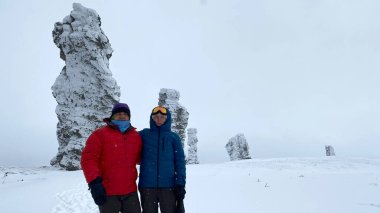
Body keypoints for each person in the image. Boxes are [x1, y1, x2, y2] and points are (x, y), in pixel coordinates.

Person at [81, 103, 142, 213]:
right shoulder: (99, 134)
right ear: (112, 116)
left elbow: (140, 158)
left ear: (129, 117)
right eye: (118, 113)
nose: (122, 116)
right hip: (108, 192)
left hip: (130, 192)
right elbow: (89, 159)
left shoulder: (136, 136)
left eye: (125, 114)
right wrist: (94, 183)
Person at [138, 106, 186, 213]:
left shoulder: (173, 137)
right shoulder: (144, 135)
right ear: (152, 118)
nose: (159, 119)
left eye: (162, 117)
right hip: (147, 186)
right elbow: (127, 138)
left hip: (168, 187)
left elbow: (180, 162)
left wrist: (181, 183)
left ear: (167, 118)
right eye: (156, 117)